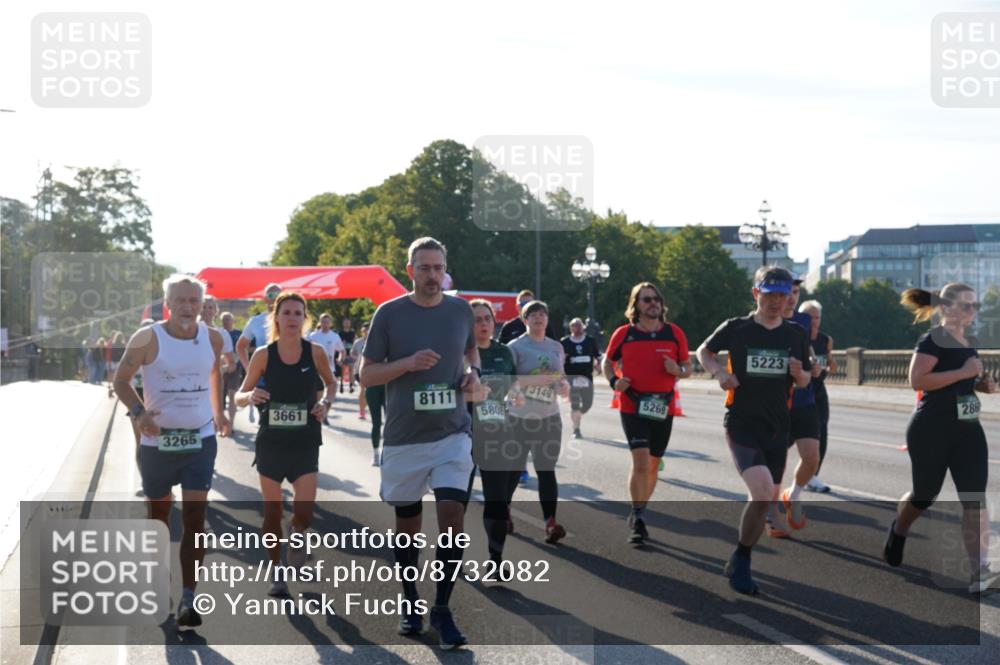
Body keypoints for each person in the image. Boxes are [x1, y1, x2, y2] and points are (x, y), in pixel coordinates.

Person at [359, 237, 481, 649]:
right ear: (410, 270)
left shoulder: (460, 309)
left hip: (451, 433)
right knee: (407, 527)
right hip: (404, 438)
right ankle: (410, 600)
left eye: (438, 268)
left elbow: (471, 353)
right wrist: (407, 365)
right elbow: (366, 375)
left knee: (452, 515)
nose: (432, 276)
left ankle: (443, 610)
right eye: (424, 268)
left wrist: (473, 376)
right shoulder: (389, 314)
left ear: (445, 270)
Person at [113, 274, 231, 628]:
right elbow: (120, 379)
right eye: (180, 300)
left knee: (196, 520)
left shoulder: (211, 337)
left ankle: (189, 598)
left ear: (201, 304)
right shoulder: (148, 337)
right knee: (159, 519)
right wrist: (140, 414)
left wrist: (219, 410)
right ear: (168, 303)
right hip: (158, 444)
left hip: (200, 440)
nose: (188, 307)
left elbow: (214, 374)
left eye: (194, 301)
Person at [696, 266, 811, 595]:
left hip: (778, 426)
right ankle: (743, 560)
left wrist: (800, 373)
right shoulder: (737, 328)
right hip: (742, 421)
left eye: (782, 295)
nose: (776, 301)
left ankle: (740, 555)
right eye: (770, 294)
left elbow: (804, 379)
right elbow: (704, 351)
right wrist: (719, 372)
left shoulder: (795, 335)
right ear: (756, 293)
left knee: (764, 499)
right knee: (762, 492)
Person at [883, 283, 1000, 593]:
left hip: (968, 430)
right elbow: (917, 380)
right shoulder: (933, 340)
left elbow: (962, 381)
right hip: (931, 430)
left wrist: (980, 385)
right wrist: (964, 373)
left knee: (974, 499)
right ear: (947, 308)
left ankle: (980, 572)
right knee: (925, 495)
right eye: (965, 305)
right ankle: (899, 528)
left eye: (974, 306)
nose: (971, 312)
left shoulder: (968, 341)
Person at [236, 292, 335, 596]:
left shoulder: (315, 351)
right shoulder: (263, 354)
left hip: (305, 440)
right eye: (286, 313)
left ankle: (297, 533)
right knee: (272, 512)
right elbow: (240, 396)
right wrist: (250, 397)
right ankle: (277, 570)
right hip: (272, 443)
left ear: (304, 319)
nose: (292, 318)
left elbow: (331, 384)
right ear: (276, 318)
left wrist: (326, 403)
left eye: (298, 313)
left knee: (304, 511)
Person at [603, 283, 691, 545]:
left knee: (653, 465)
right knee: (640, 461)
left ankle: (641, 507)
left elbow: (687, 367)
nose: (653, 303)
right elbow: (608, 362)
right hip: (633, 404)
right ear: (636, 306)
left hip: (662, 405)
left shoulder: (674, 333)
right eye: (646, 300)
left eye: (656, 299)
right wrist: (613, 382)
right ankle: (638, 516)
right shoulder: (624, 334)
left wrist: (678, 370)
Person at [507, 300, 570, 545]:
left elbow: (560, 375)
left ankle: (550, 524)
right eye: (533, 315)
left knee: (546, 470)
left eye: (542, 314)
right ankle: (505, 511)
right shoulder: (515, 347)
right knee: (514, 469)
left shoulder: (556, 346)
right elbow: (508, 382)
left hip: (549, 416)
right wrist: (533, 381)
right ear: (525, 320)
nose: (538, 318)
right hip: (520, 417)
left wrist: (562, 385)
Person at [466, 299, 520, 565]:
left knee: (497, 501)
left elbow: (514, 387)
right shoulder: (459, 353)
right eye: (477, 319)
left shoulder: (504, 353)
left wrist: (517, 396)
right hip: (462, 433)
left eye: (487, 318)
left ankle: (495, 558)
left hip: (496, 433)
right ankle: (452, 556)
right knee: (456, 503)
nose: (484, 324)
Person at [774, 278, 822, 536]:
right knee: (775, 461)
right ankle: (771, 513)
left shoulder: (803, 321)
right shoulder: (765, 321)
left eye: (796, 292)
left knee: (812, 457)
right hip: (777, 402)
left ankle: (793, 494)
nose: (791, 298)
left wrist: (813, 364)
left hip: (804, 399)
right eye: (787, 292)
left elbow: (809, 351)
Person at [798, 300, 837, 493]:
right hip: (798, 393)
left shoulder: (825, 340)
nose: (813, 321)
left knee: (821, 433)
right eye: (809, 317)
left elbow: (830, 363)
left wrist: (830, 364)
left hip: (819, 392)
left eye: (817, 317)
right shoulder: (795, 336)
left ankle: (812, 476)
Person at [237, 282, 282, 423]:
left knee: (284, 421)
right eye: (271, 294)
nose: (274, 297)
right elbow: (240, 346)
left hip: (288, 376)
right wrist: (249, 369)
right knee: (267, 420)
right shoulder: (256, 321)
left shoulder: (291, 317)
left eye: (277, 294)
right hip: (263, 380)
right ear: (265, 299)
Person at [200, 297, 236, 435]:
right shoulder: (188, 330)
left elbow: (231, 364)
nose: (207, 311)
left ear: (216, 311)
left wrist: (221, 368)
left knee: (211, 424)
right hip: (193, 381)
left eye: (210, 307)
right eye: (204, 307)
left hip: (213, 384)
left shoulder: (222, 333)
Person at [561, 317, 602, 439]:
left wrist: (598, 366)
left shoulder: (590, 341)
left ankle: (577, 414)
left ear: (583, 327)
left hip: (587, 377)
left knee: (588, 404)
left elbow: (597, 356)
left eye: (579, 325)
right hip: (572, 378)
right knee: (575, 404)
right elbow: (560, 359)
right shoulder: (565, 342)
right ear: (570, 328)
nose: (576, 327)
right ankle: (576, 429)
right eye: (574, 325)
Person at [307, 313, 346, 425]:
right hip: (314, 370)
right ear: (320, 322)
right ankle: (315, 413)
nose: (325, 324)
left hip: (330, 369)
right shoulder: (313, 336)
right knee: (316, 394)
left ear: (330, 323)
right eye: (323, 322)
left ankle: (325, 414)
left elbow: (342, 351)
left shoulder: (334, 336)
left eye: (327, 322)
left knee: (329, 394)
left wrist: (340, 359)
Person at [220, 312, 243, 426]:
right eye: (224, 319)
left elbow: (246, 348)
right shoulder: (218, 333)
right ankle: (221, 422)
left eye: (228, 319)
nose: (226, 321)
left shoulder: (239, 334)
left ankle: (231, 423)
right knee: (220, 398)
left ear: (233, 321)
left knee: (232, 394)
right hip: (220, 369)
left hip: (235, 368)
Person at [351, 323, 369, 420]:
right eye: (364, 330)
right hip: (359, 369)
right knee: (363, 389)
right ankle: (362, 411)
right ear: (362, 331)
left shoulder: (376, 341)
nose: (366, 332)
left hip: (372, 369)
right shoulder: (358, 342)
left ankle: (365, 407)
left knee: (369, 391)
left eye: (368, 330)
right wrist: (357, 357)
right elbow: (352, 353)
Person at [340, 317, 357, 393]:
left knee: (351, 370)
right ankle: (341, 385)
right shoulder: (340, 333)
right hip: (343, 354)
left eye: (348, 322)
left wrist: (353, 353)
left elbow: (354, 343)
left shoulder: (352, 333)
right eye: (345, 322)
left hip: (350, 354)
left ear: (350, 324)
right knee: (342, 371)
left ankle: (351, 386)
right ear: (343, 323)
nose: (346, 324)